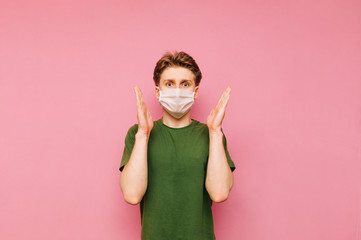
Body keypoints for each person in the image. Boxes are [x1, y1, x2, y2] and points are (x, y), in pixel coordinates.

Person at [119, 51, 236, 240]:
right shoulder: (137, 134)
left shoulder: (211, 135)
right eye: (169, 84)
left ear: (195, 91)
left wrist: (215, 132)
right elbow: (132, 195)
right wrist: (143, 134)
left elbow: (219, 192)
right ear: (158, 91)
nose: (177, 91)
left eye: (185, 84)